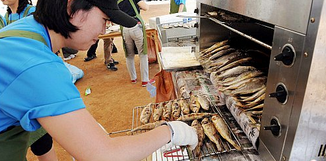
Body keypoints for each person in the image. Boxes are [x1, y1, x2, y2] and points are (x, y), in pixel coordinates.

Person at [0, 0, 198, 161]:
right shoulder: (38, 66)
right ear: (72, 7)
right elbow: (103, 155)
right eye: (104, 19)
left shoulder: (27, 30)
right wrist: (171, 131)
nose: (105, 29)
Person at [118, 0, 151, 87]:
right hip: (135, 26)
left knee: (129, 55)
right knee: (143, 54)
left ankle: (133, 78)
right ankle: (145, 80)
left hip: (124, 28)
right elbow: (146, 7)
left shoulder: (117, 1)